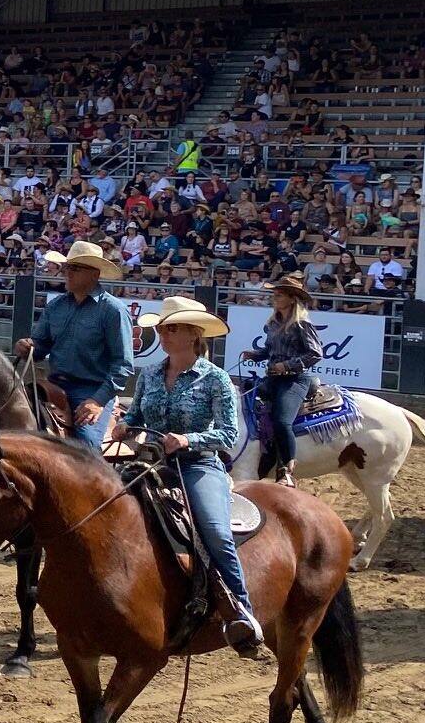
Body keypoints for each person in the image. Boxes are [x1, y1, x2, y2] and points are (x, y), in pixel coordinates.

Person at [113, 296, 263, 658]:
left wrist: (187, 439)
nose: (163, 333)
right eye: (162, 328)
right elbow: (135, 414)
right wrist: (124, 427)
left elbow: (228, 435)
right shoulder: (149, 373)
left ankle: (241, 610)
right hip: (149, 461)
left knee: (213, 528)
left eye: (172, 328)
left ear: (194, 334)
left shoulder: (216, 379)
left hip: (197, 464)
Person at [15, 239, 134, 449]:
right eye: (67, 267)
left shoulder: (113, 311)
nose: (67, 273)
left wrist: (97, 401)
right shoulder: (56, 306)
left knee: (86, 445)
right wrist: (28, 347)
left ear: (94, 274)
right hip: (53, 385)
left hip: (91, 390)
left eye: (75, 269)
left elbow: (122, 365)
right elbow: (41, 346)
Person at [244, 273, 321, 486]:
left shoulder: (302, 323)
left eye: (279, 295)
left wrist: (287, 365)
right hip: (273, 378)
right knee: (246, 404)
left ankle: (287, 467)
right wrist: (255, 354)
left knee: (281, 420)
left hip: (295, 379)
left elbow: (315, 353)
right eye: (274, 295)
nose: (274, 298)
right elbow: (270, 350)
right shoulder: (274, 324)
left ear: (291, 298)